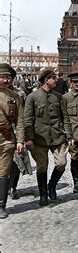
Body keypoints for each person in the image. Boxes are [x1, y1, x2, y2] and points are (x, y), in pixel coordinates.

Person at [24, 69, 73, 206]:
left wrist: (69, 136)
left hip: (57, 137)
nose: (56, 80)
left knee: (61, 163)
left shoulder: (58, 97)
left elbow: (65, 118)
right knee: (42, 166)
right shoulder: (32, 97)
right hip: (40, 138)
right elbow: (27, 120)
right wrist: (29, 138)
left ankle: (52, 185)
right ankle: (43, 194)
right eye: (54, 78)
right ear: (46, 80)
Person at [0, 63, 24, 219]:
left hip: (7, 139)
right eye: (1, 77)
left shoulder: (15, 97)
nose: (4, 80)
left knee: (3, 172)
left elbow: (20, 120)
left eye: (7, 77)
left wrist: (20, 140)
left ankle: (1, 205)